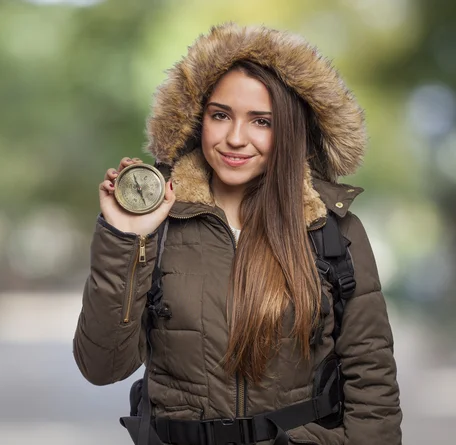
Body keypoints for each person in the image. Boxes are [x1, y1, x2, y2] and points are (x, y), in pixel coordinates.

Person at [73, 23, 402, 445]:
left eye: (261, 121)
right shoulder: (160, 224)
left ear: (289, 130)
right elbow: (101, 367)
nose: (235, 138)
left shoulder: (331, 229)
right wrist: (125, 238)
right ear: (198, 119)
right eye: (220, 115)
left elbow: (372, 386)